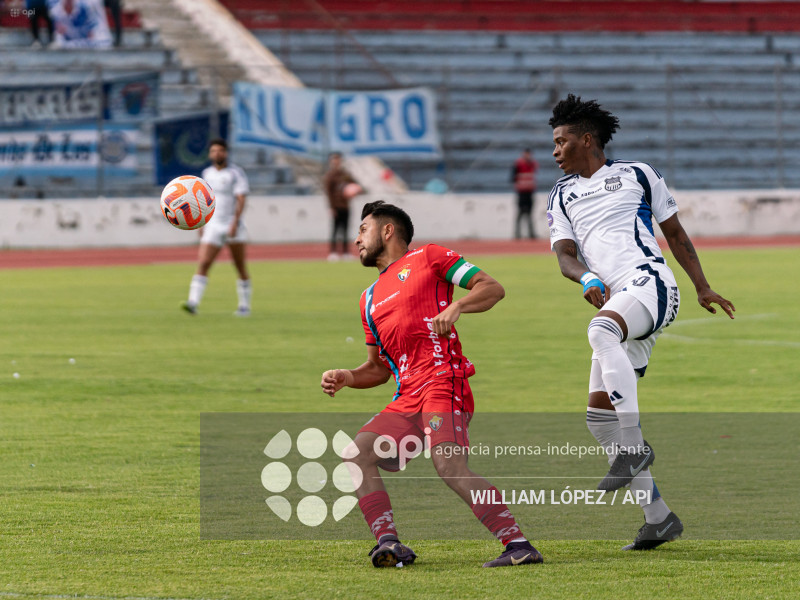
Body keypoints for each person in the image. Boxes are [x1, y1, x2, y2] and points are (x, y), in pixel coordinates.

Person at [546, 94, 735, 550]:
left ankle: (633, 446)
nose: (554, 151)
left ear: (586, 140)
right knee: (598, 418)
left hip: (650, 284)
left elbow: (674, 233)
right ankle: (659, 518)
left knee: (600, 330)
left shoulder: (636, 173)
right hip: (618, 299)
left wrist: (702, 285)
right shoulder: (561, 195)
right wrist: (587, 276)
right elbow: (564, 256)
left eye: (561, 141)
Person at [320, 201, 543, 569]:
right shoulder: (368, 299)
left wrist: (458, 307)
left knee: (449, 465)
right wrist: (347, 377)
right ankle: (389, 543)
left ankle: (518, 544)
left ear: (387, 231)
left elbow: (492, 287)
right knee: (357, 454)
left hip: (443, 382)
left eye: (363, 229)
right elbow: (378, 369)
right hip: (407, 395)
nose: (356, 238)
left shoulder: (429, 257)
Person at [181, 138, 252, 317]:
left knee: (239, 265)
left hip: (231, 224)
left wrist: (235, 221)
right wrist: (201, 222)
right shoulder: (207, 173)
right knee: (204, 262)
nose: (217, 154)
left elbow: (241, 198)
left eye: (220, 150)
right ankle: (193, 303)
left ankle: (244, 306)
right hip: (213, 224)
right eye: (213, 151)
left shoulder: (235, 173)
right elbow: (203, 199)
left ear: (226, 152)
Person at [323, 152, 360, 261]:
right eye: (334, 160)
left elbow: (354, 184)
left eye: (338, 160)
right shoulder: (330, 175)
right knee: (335, 229)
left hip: (345, 206)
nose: (336, 162)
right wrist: (331, 207)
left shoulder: (345, 174)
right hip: (336, 206)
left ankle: (345, 252)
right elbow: (329, 193)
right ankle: (333, 252)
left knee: (345, 229)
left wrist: (354, 189)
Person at [511, 148, 538, 239]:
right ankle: (517, 234)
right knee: (520, 213)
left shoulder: (533, 164)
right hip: (521, 192)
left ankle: (531, 234)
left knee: (530, 213)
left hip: (530, 191)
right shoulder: (518, 164)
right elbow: (512, 177)